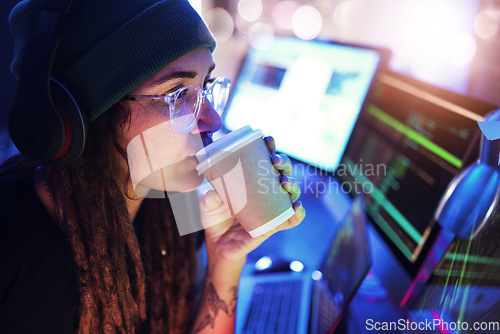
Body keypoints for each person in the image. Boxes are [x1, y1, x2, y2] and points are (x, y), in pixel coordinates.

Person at [0, 0, 305, 333]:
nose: (213, 120)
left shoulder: (175, 210)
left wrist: (226, 258)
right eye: (177, 94)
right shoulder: (11, 246)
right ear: (85, 117)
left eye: (204, 88)